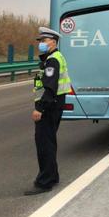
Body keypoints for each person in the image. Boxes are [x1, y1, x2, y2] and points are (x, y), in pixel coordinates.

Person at [24, 27, 72, 195]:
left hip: (49, 106)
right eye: (40, 42)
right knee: (49, 141)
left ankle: (44, 182)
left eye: (44, 41)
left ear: (53, 41)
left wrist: (39, 109)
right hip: (55, 105)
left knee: (44, 144)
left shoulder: (53, 60)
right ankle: (53, 176)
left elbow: (50, 88)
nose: (41, 44)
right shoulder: (53, 58)